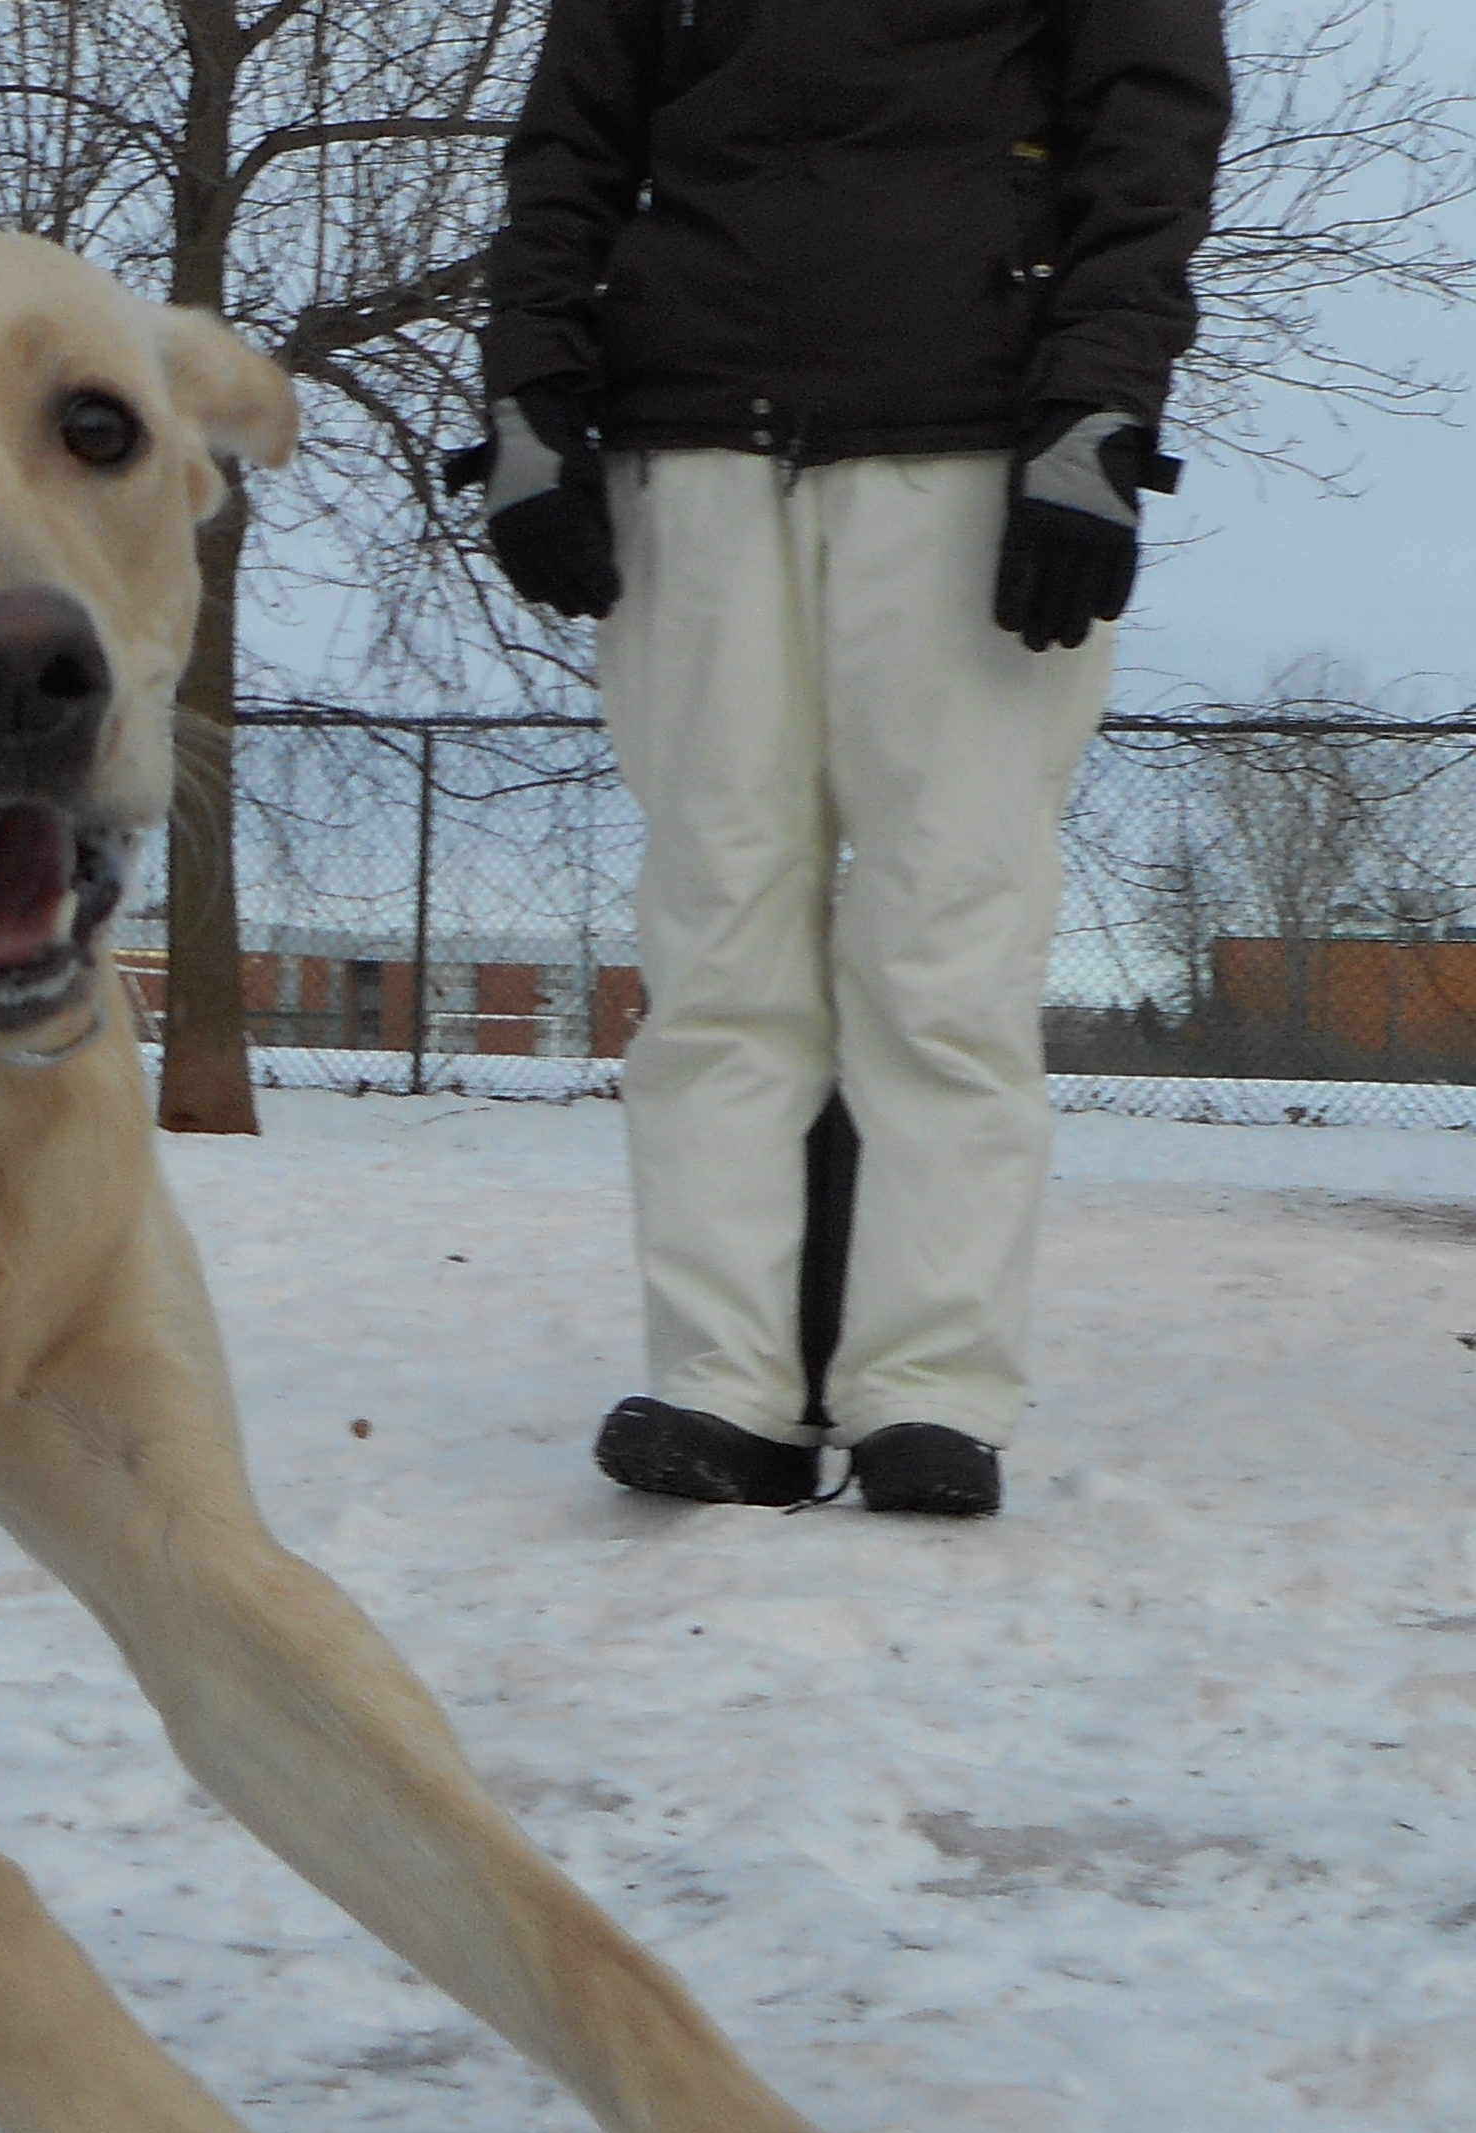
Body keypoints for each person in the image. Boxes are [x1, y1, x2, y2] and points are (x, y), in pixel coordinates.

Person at [463, 0, 1231, 1516]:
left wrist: (1095, 419)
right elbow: (568, 152)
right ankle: (721, 1386)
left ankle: (929, 1391)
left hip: (971, 444)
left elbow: (1148, 151)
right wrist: (531, 400)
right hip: (686, 444)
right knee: (718, 932)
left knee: (948, 942)